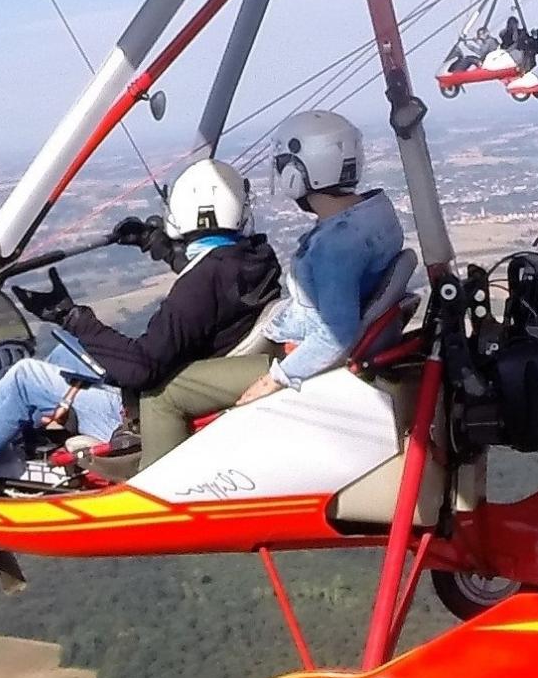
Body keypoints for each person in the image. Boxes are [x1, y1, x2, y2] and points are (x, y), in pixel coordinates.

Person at [0, 158, 281, 492]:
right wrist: (154, 243)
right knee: (66, 353)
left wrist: (72, 317)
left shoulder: (200, 284)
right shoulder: (254, 259)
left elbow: (141, 369)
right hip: (194, 375)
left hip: (142, 410)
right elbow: (209, 281)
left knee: (25, 378)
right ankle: (11, 445)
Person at [132, 111, 406, 462]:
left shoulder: (334, 248)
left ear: (298, 172)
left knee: (161, 392)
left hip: (296, 358)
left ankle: (157, 497)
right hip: (292, 337)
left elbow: (334, 336)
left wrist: (275, 379)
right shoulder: (374, 212)